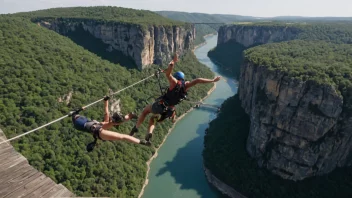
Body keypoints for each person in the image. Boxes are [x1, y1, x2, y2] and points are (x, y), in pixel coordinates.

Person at [130, 54, 221, 142]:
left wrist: (173, 62)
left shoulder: (174, 82)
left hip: (160, 105)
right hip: (169, 111)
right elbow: (198, 80)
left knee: (145, 111)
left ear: (177, 77)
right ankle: (149, 133)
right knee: (153, 119)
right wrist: (212, 80)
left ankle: (136, 127)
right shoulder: (185, 87)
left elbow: (168, 74)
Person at [71, 96, 151, 151]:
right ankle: (142, 142)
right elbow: (75, 118)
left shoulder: (99, 123)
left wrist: (106, 101)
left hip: (97, 130)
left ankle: (129, 117)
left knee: (114, 124)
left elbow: (106, 112)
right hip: (98, 131)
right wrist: (77, 111)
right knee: (122, 136)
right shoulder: (78, 122)